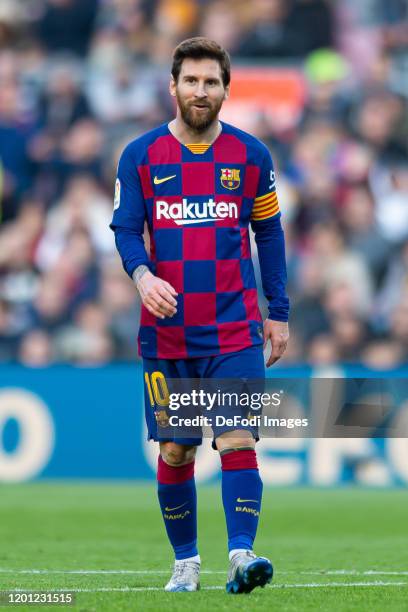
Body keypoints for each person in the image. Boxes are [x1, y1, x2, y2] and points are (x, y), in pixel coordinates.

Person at [110, 37, 289, 594]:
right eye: (191, 80)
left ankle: (240, 556)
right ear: (173, 86)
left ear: (226, 90)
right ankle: (185, 563)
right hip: (166, 336)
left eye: (211, 82)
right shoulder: (139, 155)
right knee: (175, 447)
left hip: (234, 330)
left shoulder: (251, 156)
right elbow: (124, 228)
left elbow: (270, 234)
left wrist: (278, 311)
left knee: (237, 440)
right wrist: (142, 277)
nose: (201, 90)